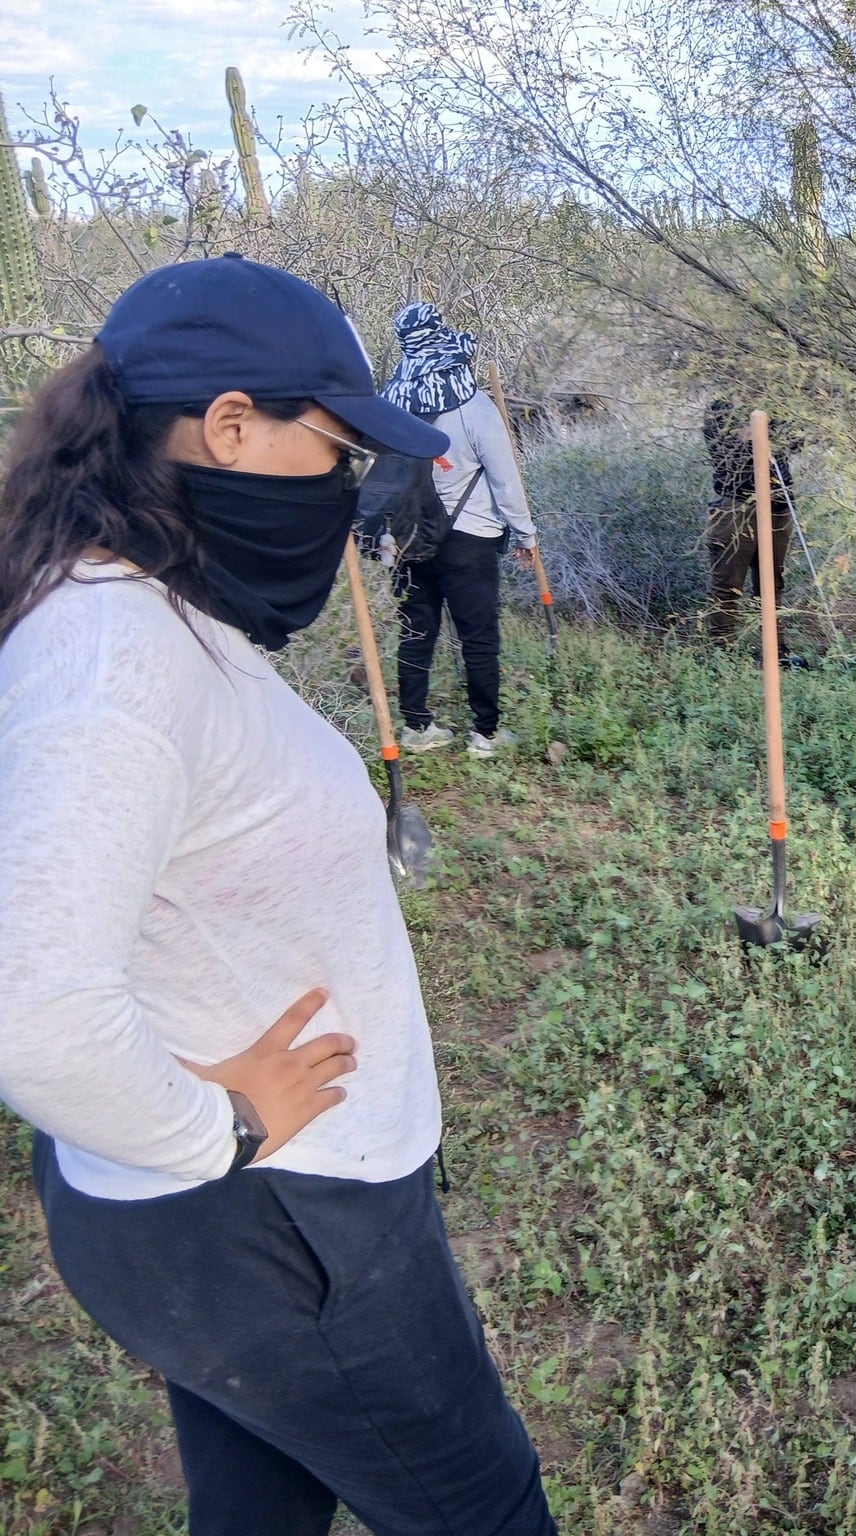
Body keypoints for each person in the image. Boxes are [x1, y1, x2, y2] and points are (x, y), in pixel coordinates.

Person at [0, 255, 557, 1535]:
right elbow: (33, 1010)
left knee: (265, 1495)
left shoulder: (141, 606)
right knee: (481, 1507)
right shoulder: (110, 662)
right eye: (336, 445)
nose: (351, 485)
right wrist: (221, 1131)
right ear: (231, 425)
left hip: (258, 1222)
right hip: (276, 1222)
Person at [381, 301, 537, 759]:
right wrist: (525, 533)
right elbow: (504, 475)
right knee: (479, 637)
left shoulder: (390, 404)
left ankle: (416, 727)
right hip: (470, 538)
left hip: (407, 537)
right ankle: (485, 735)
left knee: (416, 632)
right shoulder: (473, 405)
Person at [702, 396, 802, 660]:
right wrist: (753, 435)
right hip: (736, 506)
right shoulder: (721, 407)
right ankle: (722, 654)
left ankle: (776, 651)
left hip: (778, 506)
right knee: (728, 584)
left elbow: (796, 442)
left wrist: (772, 432)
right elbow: (722, 451)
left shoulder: (779, 401)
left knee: (772, 583)